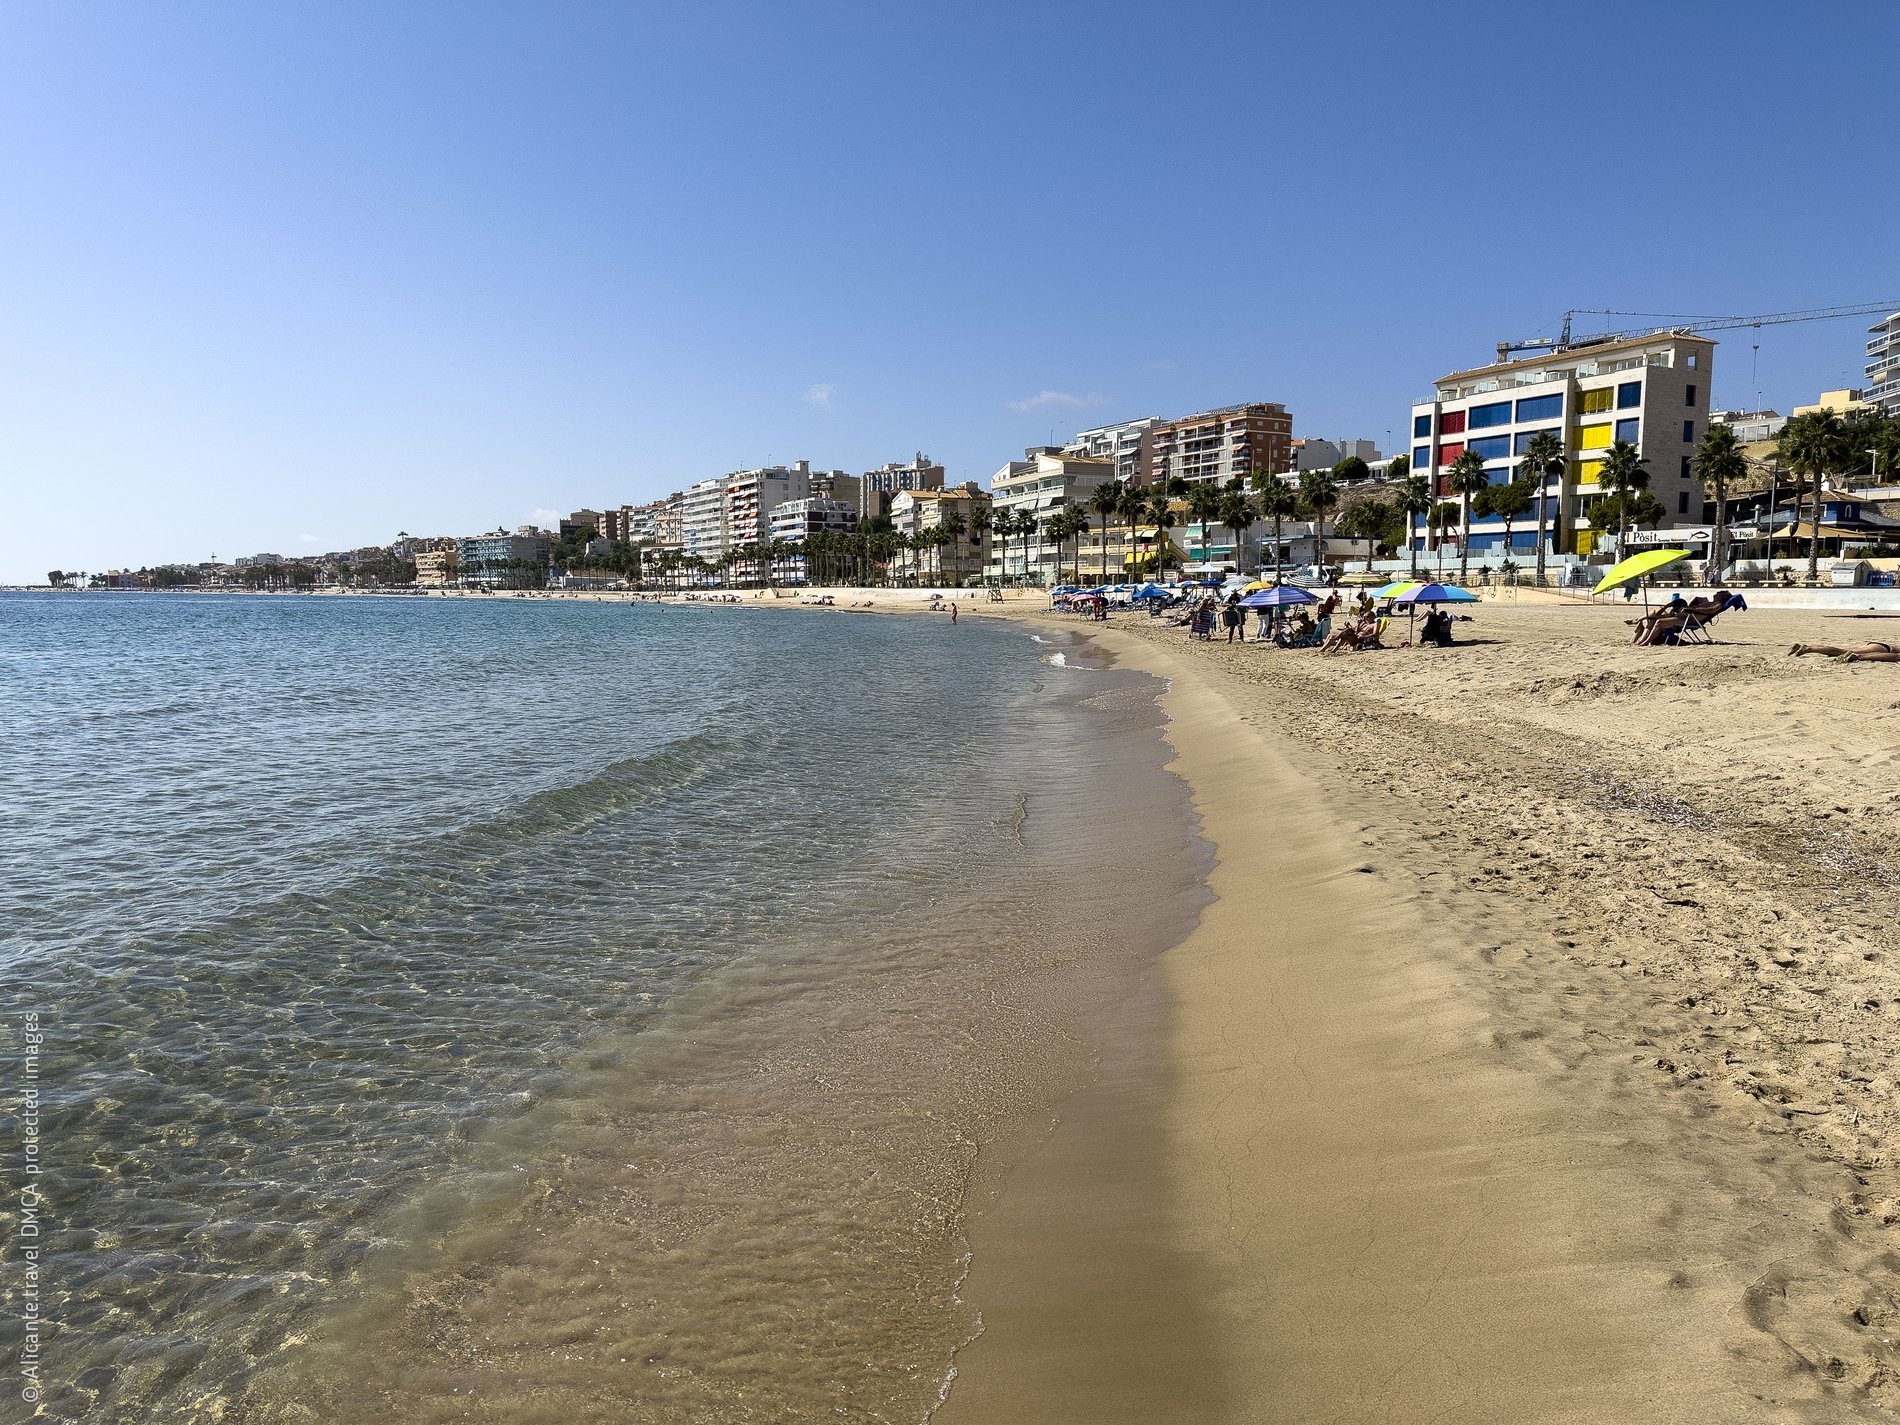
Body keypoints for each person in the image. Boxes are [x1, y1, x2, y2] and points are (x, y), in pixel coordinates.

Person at [1788, 641, 1900, 662]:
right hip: (1882, 648)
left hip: (1877, 644)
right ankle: (1809, 649)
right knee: (1842, 651)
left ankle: (1805, 647)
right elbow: (1895, 656)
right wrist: (1861, 657)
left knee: (1836, 651)